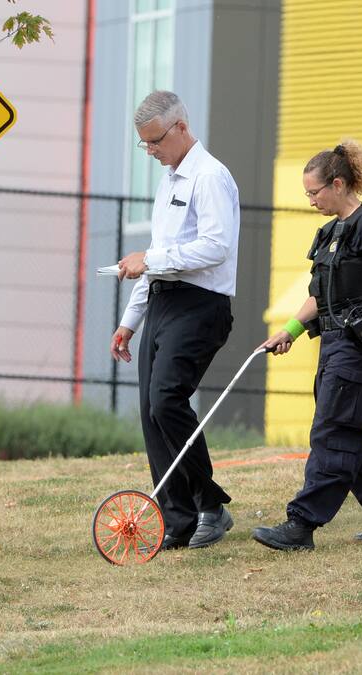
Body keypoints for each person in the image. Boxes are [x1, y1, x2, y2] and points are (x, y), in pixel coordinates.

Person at [252, 139, 362, 551]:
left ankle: (302, 525)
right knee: (349, 433)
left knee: (333, 432)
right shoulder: (330, 233)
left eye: (315, 192)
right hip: (333, 343)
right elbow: (319, 294)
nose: (310, 200)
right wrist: (289, 331)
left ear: (339, 184)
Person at [111, 91, 240, 550]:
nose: (151, 152)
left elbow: (215, 246)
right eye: (144, 145)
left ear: (181, 128)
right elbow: (157, 262)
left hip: (202, 304)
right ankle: (178, 519)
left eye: (155, 142)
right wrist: (130, 321)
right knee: (151, 411)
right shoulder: (168, 181)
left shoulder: (210, 177)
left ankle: (211, 506)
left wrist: (151, 257)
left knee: (167, 398)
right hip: (164, 303)